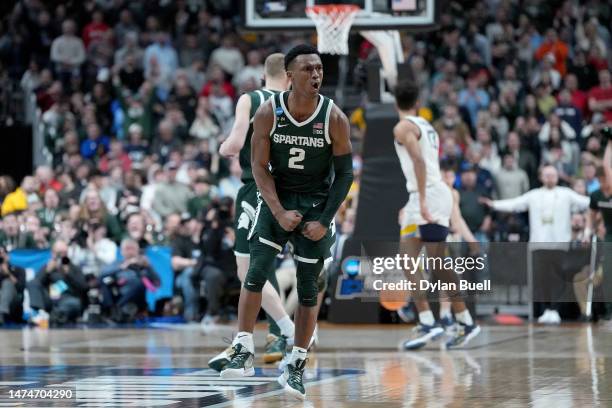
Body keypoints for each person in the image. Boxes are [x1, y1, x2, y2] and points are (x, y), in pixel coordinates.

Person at [220, 45, 353, 401]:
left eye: (320, 69)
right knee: (254, 273)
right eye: (308, 69)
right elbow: (258, 167)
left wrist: (324, 220)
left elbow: (345, 175)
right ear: (289, 76)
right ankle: (243, 345)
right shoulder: (268, 111)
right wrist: (277, 211)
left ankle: (296, 363)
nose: (316, 75)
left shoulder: (334, 116)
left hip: (315, 205)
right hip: (278, 201)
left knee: (309, 287)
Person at [209, 53, 295, 370]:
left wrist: (222, 147)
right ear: (288, 76)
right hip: (290, 194)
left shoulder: (251, 98)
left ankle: (283, 333)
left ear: (263, 74)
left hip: (257, 191)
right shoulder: (299, 104)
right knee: (255, 272)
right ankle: (271, 334)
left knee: (248, 272)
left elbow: (233, 145)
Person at [393, 80, 481, 351]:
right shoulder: (428, 126)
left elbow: (419, 161)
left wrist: (420, 201)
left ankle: (462, 321)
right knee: (409, 259)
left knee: (438, 262)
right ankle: (431, 321)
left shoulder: (403, 126)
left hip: (428, 194)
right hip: (424, 194)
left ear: (395, 103)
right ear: (417, 103)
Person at [481, 165, 590, 323]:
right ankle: (546, 309)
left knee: (558, 279)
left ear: (557, 177)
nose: (550, 178)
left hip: (560, 244)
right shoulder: (534, 195)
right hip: (539, 244)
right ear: (541, 177)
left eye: (553, 175)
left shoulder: (566, 194)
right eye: (547, 175)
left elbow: (586, 202)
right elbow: (515, 204)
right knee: (542, 279)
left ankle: (555, 310)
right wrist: (494, 204)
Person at [27, 240, 88, 326]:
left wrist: (69, 273)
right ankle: (40, 313)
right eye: (59, 253)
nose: (62, 256)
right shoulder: (48, 267)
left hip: (67, 299)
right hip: (50, 299)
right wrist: (47, 271)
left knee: (74, 304)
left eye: (65, 253)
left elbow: (84, 287)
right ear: (53, 253)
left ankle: (51, 316)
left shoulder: (73, 268)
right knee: (32, 282)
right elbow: (36, 283)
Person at [99, 238, 160, 322]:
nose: (130, 252)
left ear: (138, 250)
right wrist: (122, 267)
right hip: (118, 295)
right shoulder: (117, 264)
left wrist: (148, 267)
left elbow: (157, 283)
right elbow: (102, 275)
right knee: (105, 281)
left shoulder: (143, 267)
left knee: (140, 283)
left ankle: (117, 309)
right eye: (127, 248)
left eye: (133, 248)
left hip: (136, 299)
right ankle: (111, 310)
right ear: (121, 251)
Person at [0, 246, 26, 325]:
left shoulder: (18, 270)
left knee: (7, 283)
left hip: (13, 300)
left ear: (7, 256)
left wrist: (8, 274)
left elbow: (21, 288)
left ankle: (1, 313)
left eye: (2, 254)